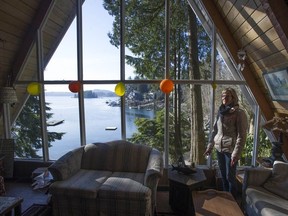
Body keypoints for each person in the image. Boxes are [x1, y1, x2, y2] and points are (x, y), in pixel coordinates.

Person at [204, 87, 248, 197]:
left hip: (231, 150)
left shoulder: (239, 113)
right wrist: (210, 146)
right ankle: (225, 198)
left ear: (233, 97)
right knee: (223, 175)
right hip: (219, 148)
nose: (224, 98)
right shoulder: (221, 112)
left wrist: (236, 154)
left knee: (230, 177)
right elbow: (215, 130)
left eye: (227, 96)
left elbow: (242, 136)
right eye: (223, 96)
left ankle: (233, 200)